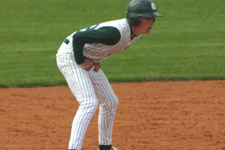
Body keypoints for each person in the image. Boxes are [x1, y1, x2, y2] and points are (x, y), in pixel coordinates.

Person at [56, 0, 162, 149]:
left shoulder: (135, 33)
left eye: (153, 18)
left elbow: (99, 46)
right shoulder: (115, 32)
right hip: (70, 56)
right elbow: (79, 37)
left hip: (86, 56)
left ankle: (105, 147)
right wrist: (81, 61)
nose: (152, 22)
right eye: (148, 18)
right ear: (136, 19)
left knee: (110, 101)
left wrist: (93, 59)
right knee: (89, 102)